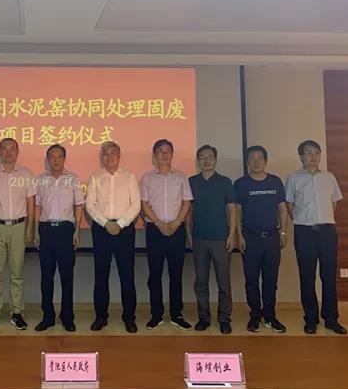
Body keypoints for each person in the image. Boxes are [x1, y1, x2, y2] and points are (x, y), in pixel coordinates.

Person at [285, 140, 348, 335]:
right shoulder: (293, 178)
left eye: (316, 153)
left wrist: (323, 221)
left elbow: (334, 203)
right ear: (301, 157)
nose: (313, 156)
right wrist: (304, 220)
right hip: (304, 232)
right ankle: (311, 319)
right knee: (307, 276)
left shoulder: (329, 177)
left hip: (327, 232)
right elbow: (289, 205)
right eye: (308, 153)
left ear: (320, 155)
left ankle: (331, 319)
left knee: (329, 276)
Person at [0, 138, 36, 331]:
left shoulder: (26, 174)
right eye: (4, 148)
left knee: (16, 273)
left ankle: (16, 313)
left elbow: (30, 203)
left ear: (17, 152)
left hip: (19, 226)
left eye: (12, 148)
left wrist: (30, 227)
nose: (8, 152)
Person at [86, 141, 141, 333]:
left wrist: (120, 223)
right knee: (101, 276)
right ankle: (101, 316)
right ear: (102, 157)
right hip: (102, 230)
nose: (109, 157)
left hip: (124, 230)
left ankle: (129, 317)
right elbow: (90, 205)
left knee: (127, 276)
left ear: (119, 156)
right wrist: (106, 223)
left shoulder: (129, 177)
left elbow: (136, 205)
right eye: (106, 154)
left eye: (113, 153)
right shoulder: (95, 177)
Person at [235, 145, 289, 334]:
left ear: (265, 160)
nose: (256, 161)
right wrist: (239, 235)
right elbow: (237, 211)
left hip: (272, 237)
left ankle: (270, 315)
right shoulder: (241, 184)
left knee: (270, 279)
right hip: (250, 238)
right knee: (251, 280)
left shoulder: (275, 182)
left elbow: (282, 209)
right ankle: (255, 315)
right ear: (247, 162)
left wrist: (283, 232)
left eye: (260, 157)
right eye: (252, 158)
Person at [140, 139, 193, 331]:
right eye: (160, 151)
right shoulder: (147, 178)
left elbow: (186, 202)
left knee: (176, 274)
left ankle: (177, 314)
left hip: (176, 229)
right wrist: (159, 223)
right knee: (154, 274)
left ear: (172, 154)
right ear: (154, 155)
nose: (164, 154)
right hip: (155, 229)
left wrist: (177, 222)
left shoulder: (181, 177)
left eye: (168, 151)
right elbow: (144, 204)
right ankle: (156, 314)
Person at [33, 144, 84, 332]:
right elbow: (37, 206)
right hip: (46, 231)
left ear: (64, 159)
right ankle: (48, 317)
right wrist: (36, 231)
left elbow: (79, 205)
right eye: (52, 157)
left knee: (66, 277)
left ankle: (67, 317)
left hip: (66, 231)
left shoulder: (73, 179)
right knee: (46, 277)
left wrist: (77, 231)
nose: (56, 160)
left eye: (59, 156)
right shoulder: (40, 180)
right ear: (47, 159)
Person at [186, 145, 237, 334]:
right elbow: (188, 212)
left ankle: (224, 319)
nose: (206, 160)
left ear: (215, 159)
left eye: (210, 157)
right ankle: (204, 318)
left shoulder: (225, 182)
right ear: (197, 161)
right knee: (201, 281)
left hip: (221, 239)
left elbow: (232, 209)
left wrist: (231, 234)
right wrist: (189, 235)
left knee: (223, 282)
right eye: (202, 157)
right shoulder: (191, 182)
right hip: (199, 238)